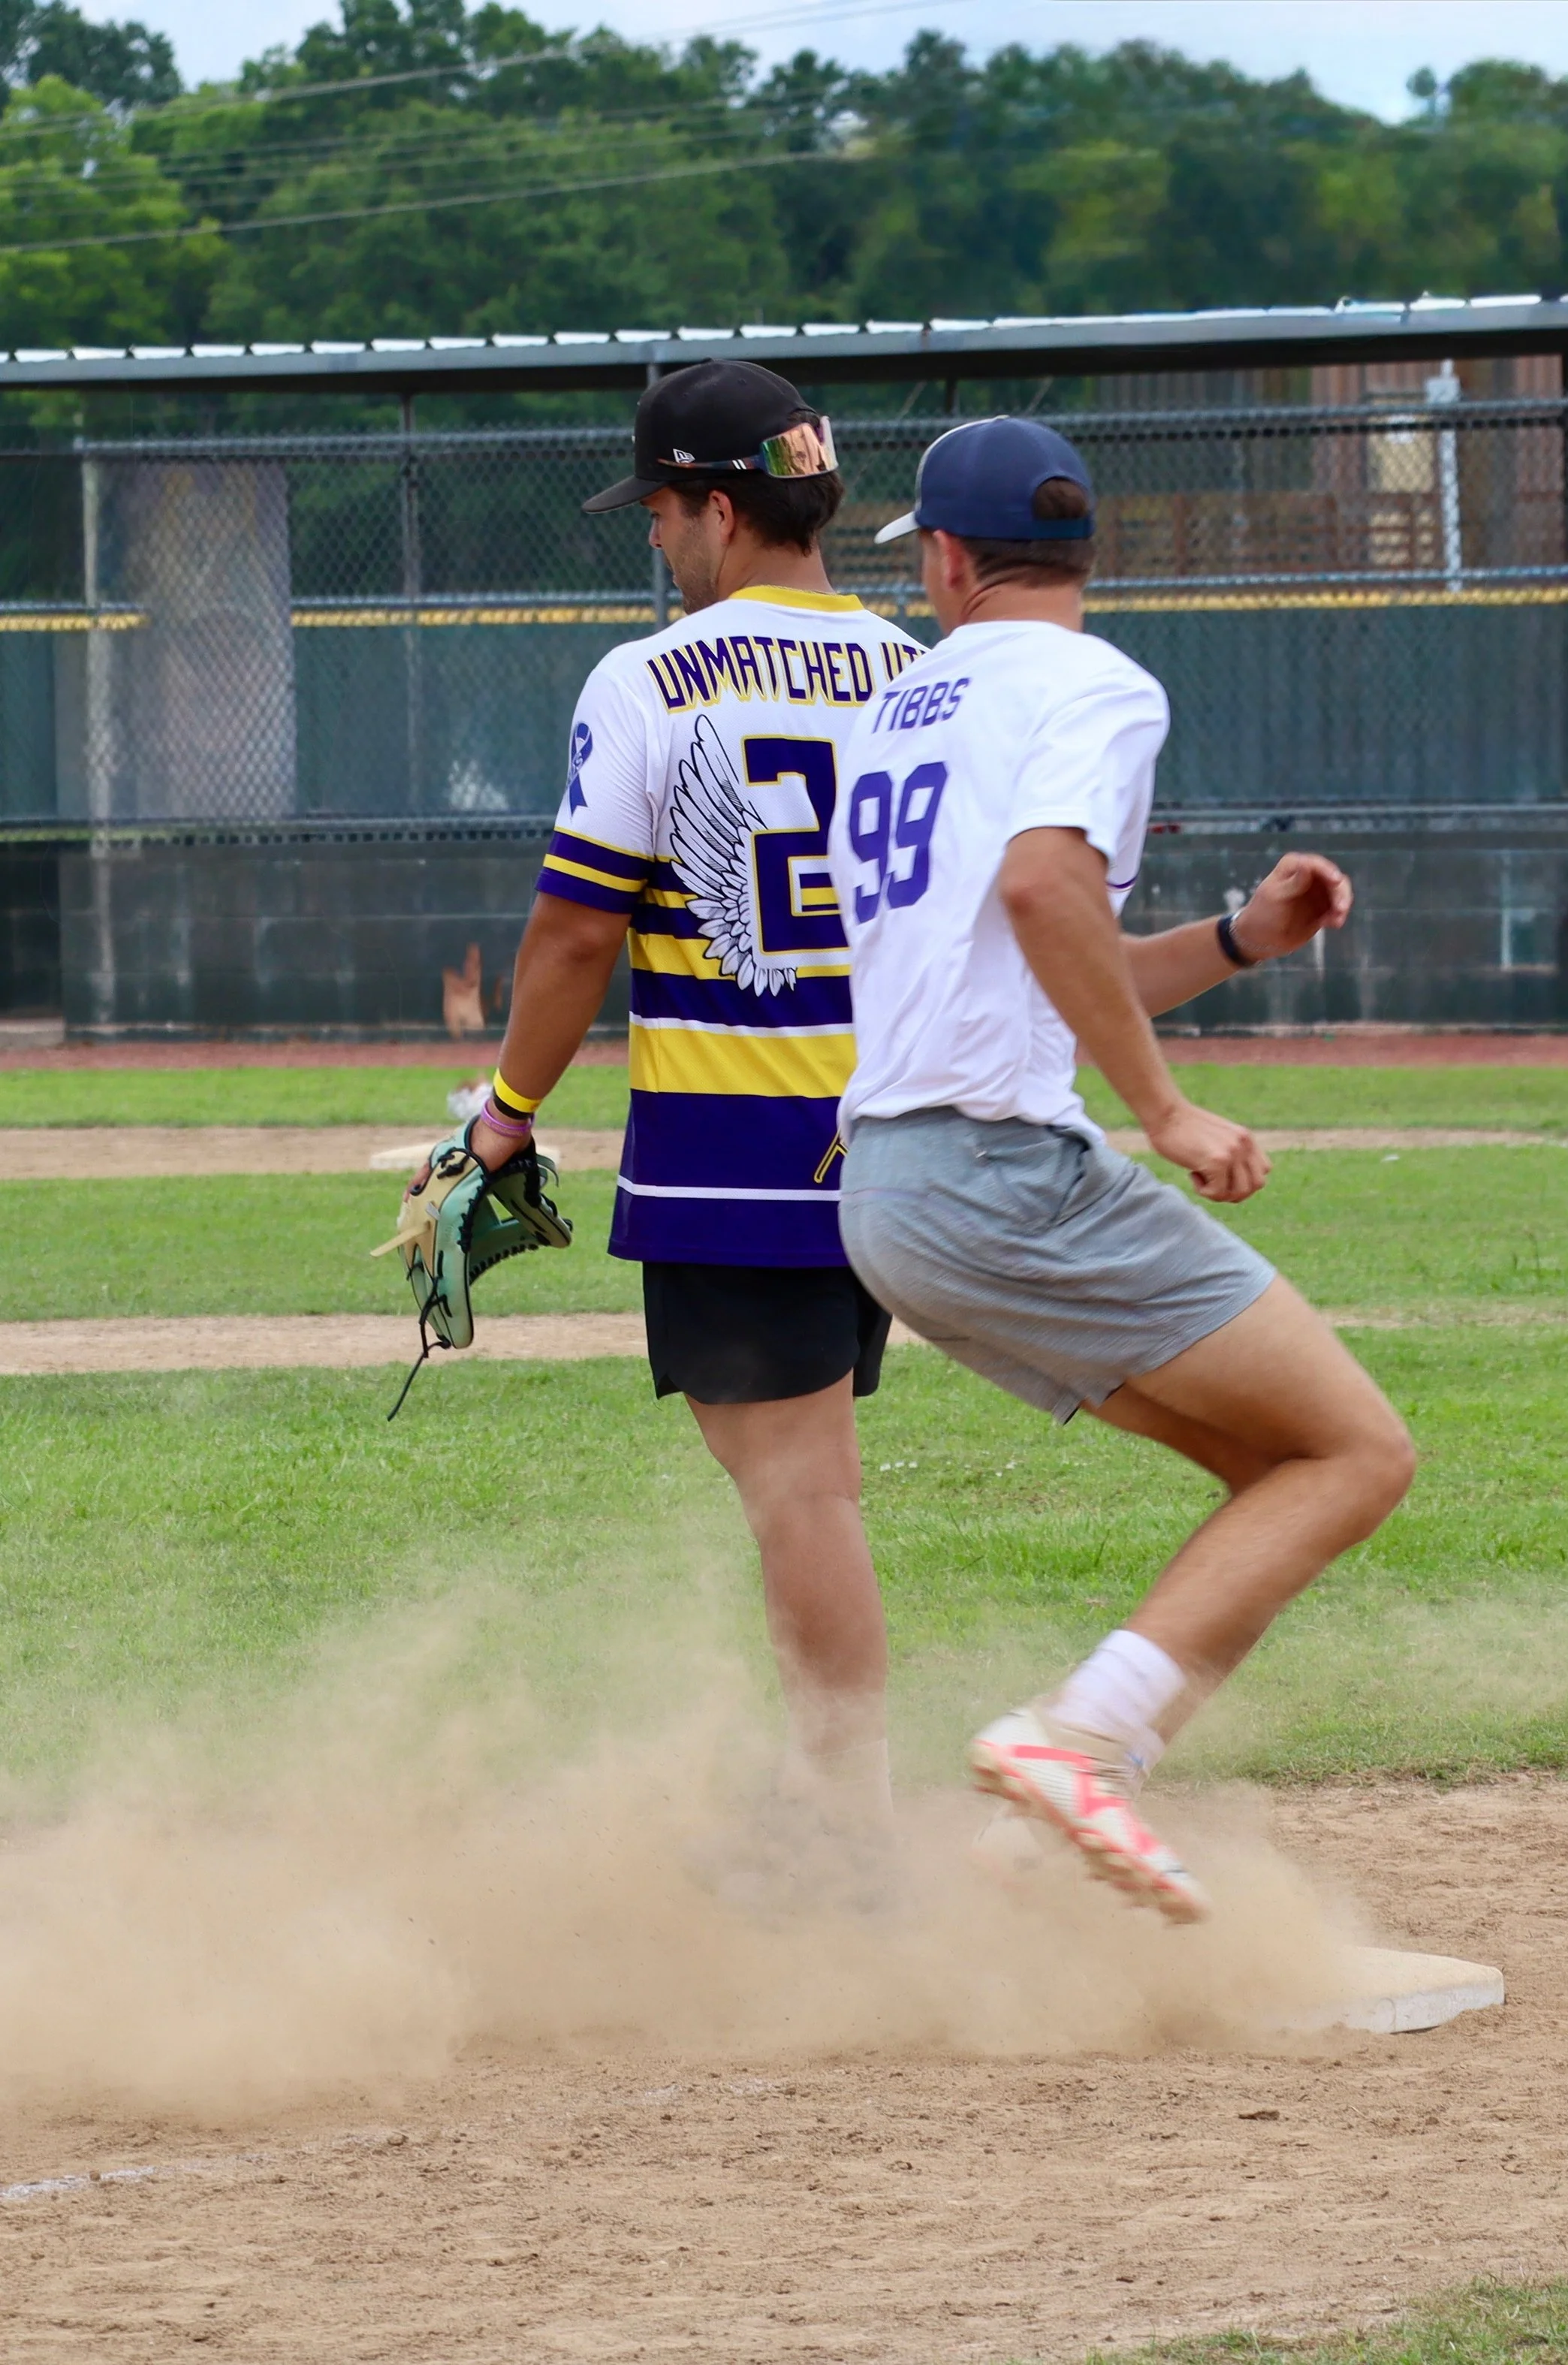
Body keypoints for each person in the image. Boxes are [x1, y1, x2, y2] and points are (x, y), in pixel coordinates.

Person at [828, 416, 1416, 1923]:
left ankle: (1050, 1807)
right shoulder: (1093, 682)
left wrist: (1235, 940)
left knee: (1271, 1476)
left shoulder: (902, 708)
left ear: (946, 561)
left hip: (891, 1191)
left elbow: (1039, 948)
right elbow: (1042, 888)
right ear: (1079, 552)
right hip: (997, 1171)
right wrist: (1161, 1107)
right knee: (1354, 1454)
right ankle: (1075, 1744)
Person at [458, 359, 922, 1857]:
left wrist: (506, 1108)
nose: (655, 538)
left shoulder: (651, 675)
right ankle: (822, 1792)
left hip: (738, 1142)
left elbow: (577, 933)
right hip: (883, 1129)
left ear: (721, 509)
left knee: (798, 1490)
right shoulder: (917, 667)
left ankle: (846, 1816)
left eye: (660, 508)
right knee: (807, 1473)